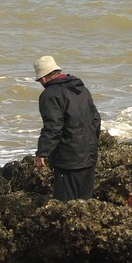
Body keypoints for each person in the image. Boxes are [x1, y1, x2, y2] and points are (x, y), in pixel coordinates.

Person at [32, 54, 101, 201]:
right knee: (86, 203)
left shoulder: (50, 94)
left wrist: (42, 153)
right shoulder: (82, 89)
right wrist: (91, 144)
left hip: (69, 159)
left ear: (43, 78)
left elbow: (53, 127)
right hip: (89, 154)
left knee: (67, 206)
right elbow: (96, 119)